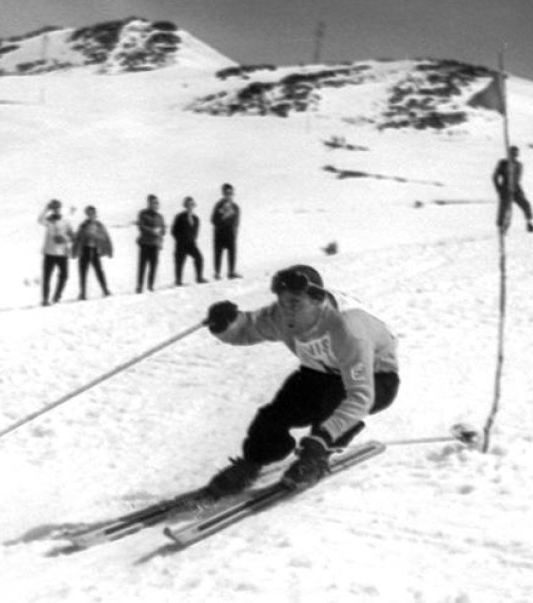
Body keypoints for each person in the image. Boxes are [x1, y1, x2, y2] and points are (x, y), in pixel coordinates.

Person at [202, 265, 400, 496]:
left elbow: (360, 395)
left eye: (295, 303)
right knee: (275, 414)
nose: (287, 311)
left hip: (377, 378)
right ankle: (253, 462)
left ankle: (316, 458)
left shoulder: (348, 328)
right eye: (283, 302)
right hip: (321, 372)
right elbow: (247, 327)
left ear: (317, 299)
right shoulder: (282, 316)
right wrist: (225, 324)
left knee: (335, 402)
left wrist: (322, 438)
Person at [492, 145, 533, 234]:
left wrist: (520, 191)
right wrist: (499, 189)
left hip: (515, 190)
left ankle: (529, 225)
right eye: (512, 154)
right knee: (504, 210)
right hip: (505, 190)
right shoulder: (503, 163)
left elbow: (517, 180)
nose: (514, 156)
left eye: (515, 154)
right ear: (509, 154)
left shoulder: (519, 165)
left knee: (526, 205)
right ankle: (502, 228)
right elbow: (495, 177)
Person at [39, 200, 76, 306]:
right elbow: (39, 220)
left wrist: (65, 239)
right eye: (54, 208)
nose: (56, 210)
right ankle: (45, 299)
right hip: (49, 253)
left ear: (60, 209)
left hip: (62, 253)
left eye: (57, 208)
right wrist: (46, 209)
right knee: (47, 277)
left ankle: (57, 296)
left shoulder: (65, 220)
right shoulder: (48, 220)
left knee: (64, 275)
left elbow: (72, 235)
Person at [72, 205, 112, 300]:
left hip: (95, 250)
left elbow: (106, 237)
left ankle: (105, 290)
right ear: (87, 214)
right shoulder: (83, 225)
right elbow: (78, 238)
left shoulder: (99, 225)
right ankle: (83, 293)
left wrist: (109, 249)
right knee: (83, 272)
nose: (91, 215)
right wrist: (75, 251)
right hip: (84, 250)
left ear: (95, 214)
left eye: (92, 213)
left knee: (99, 271)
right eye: (89, 213)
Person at [171, 196, 207, 286]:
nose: (190, 206)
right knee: (179, 262)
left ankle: (199, 277)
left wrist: (193, 239)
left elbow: (196, 231)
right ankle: (178, 280)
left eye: (191, 204)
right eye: (188, 204)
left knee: (199, 258)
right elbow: (173, 231)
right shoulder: (179, 217)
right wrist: (180, 239)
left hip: (191, 244)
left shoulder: (196, 218)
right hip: (181, 244)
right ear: (185, 206)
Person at [135, 194, 166, 293]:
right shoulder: (143, 214)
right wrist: (152, 231)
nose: (155, 204)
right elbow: (141, 226)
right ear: (148, 203)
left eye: (156, 203)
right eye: (153, 203)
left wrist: (161, 232)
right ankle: (140, 286)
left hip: (155, 244)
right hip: (145, 243)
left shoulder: (160, 216)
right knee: (142, 266)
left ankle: (150, 285)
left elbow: (164, 229)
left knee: (154, 265)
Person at [211, 182, 241, 280]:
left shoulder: (236, 207)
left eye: (230, 192)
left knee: (232, 251)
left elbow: (237, 222)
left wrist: (235, 232)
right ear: (223, 193)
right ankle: (217, 273)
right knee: (218, 253)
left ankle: (231, 272)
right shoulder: (219, 205)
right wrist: (223, 214)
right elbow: (213, 220)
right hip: (219, 232)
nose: (229, 195)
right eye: (226, 192)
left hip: (230, 232)